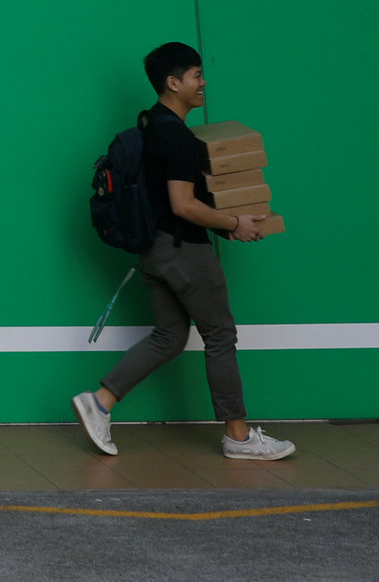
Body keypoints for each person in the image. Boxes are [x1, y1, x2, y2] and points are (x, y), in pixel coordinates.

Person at [71, 41, 294, 461]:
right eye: (195, 75)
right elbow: (182, 204)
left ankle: (99, 402)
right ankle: (240, 438)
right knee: (220, 336)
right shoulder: (175, 137)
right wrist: (234, 224)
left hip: (154, 251)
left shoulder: (151, 124)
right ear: (173, 83)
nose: (203, 82)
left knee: (170, 336)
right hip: (183, 251)